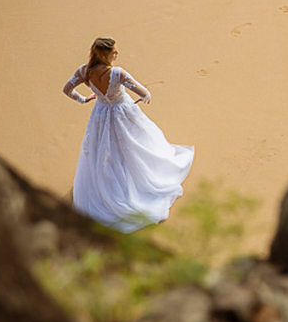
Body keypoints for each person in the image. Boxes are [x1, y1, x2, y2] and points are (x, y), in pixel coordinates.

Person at [62, 37, 193, 232]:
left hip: (101, 114)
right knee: (135, 144)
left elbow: (67, 89)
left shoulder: (84, 72)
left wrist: (84, 99)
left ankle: (108, 180)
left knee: (103, 147)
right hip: (122, 113)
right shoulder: (117, 73)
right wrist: (144, 97)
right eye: (114, 52)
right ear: (106, 54)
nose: (116, 54)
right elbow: (143, 91)